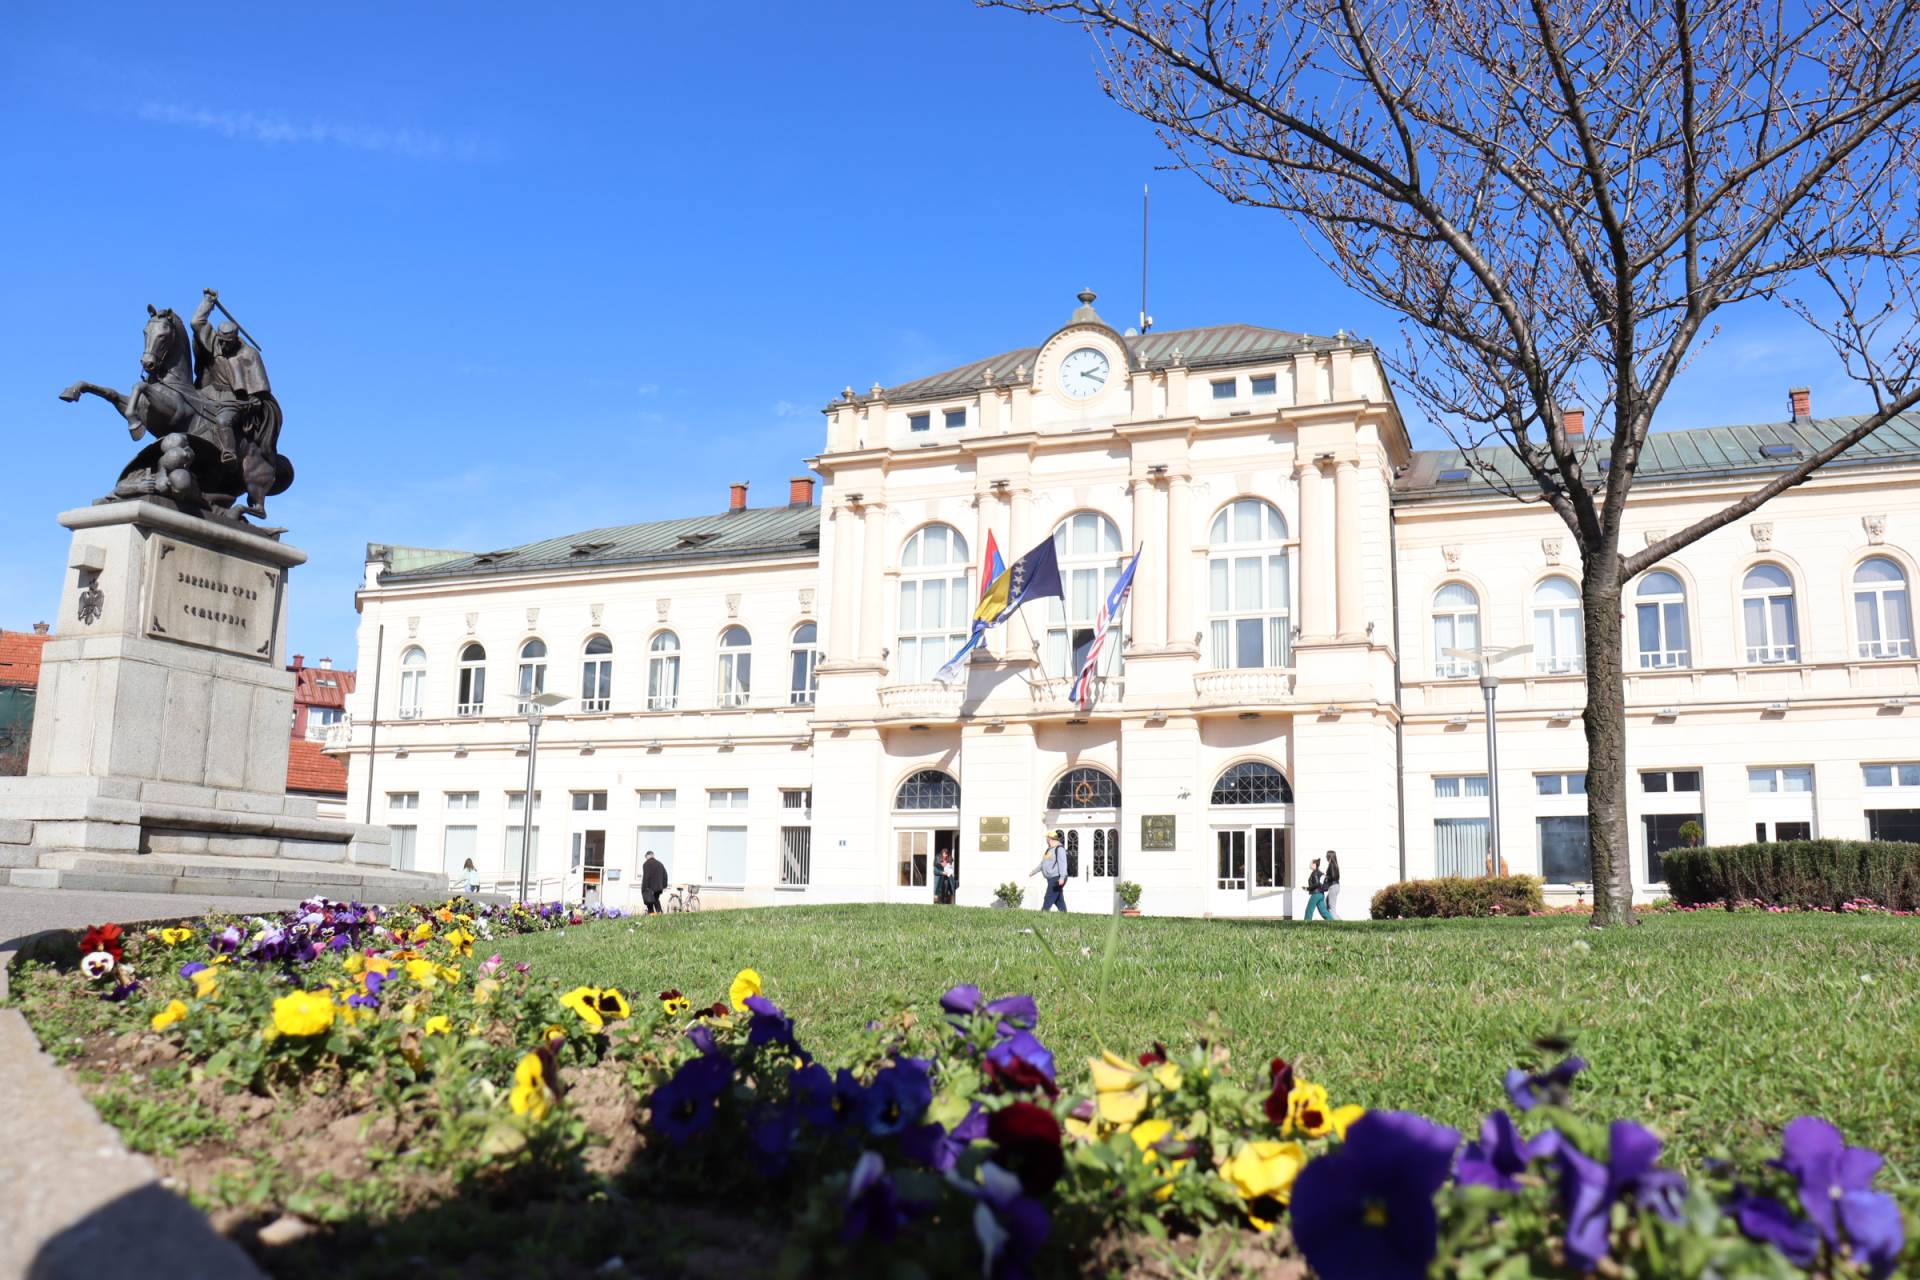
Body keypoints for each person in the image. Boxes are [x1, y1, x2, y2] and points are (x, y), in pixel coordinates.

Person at [1030, 832, 1069, 912]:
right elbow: (1042, 864)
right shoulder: (1049, 849)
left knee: (1049, 896)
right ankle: (1064, 913)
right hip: (1051, 878)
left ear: (1049, 838)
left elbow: (1063, 864)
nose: (1046, 840)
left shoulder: (1059, 849)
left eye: (1047, 838)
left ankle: (1043, 913)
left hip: (1057, 877)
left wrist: (1062, 877)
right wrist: (1033, 872)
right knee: (1058, 899)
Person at [1303, 856, 1332, 921]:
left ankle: (1306, 923)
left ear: (1314, 864)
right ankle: (1332, 922)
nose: (1310, 865)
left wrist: (1307, 888)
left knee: (1309, 909)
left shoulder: (1315, 873)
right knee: (1323, 911)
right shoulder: (1320, 872)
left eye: (1311, 863)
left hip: (1316, 894)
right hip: (1321, 894)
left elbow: (1317, 884)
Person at [641, 850, 669, 915]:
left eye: (646, 857)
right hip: (658, 887)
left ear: (647, 856)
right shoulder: (660, 864)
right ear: (653, 855)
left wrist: (644, 888)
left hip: (649, 887)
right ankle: (659, 913)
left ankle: (652, 914)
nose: (646, 859)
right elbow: (665, 875)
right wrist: (664, 885)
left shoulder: (646, 864)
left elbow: (646, 877)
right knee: (656, 899)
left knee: (649, 902)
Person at [1324, 851, 1342, 919]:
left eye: (1327, 855)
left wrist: (1326, 877)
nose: (1326, 857)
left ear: (1330, 857)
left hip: (1333, 886)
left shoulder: (1331, 865)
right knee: (1328, 904)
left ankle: (1335, 921)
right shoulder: (1335, 864)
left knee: (1331, 906)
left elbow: (1333, 876)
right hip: (1336, 886)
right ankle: (1336, 918)